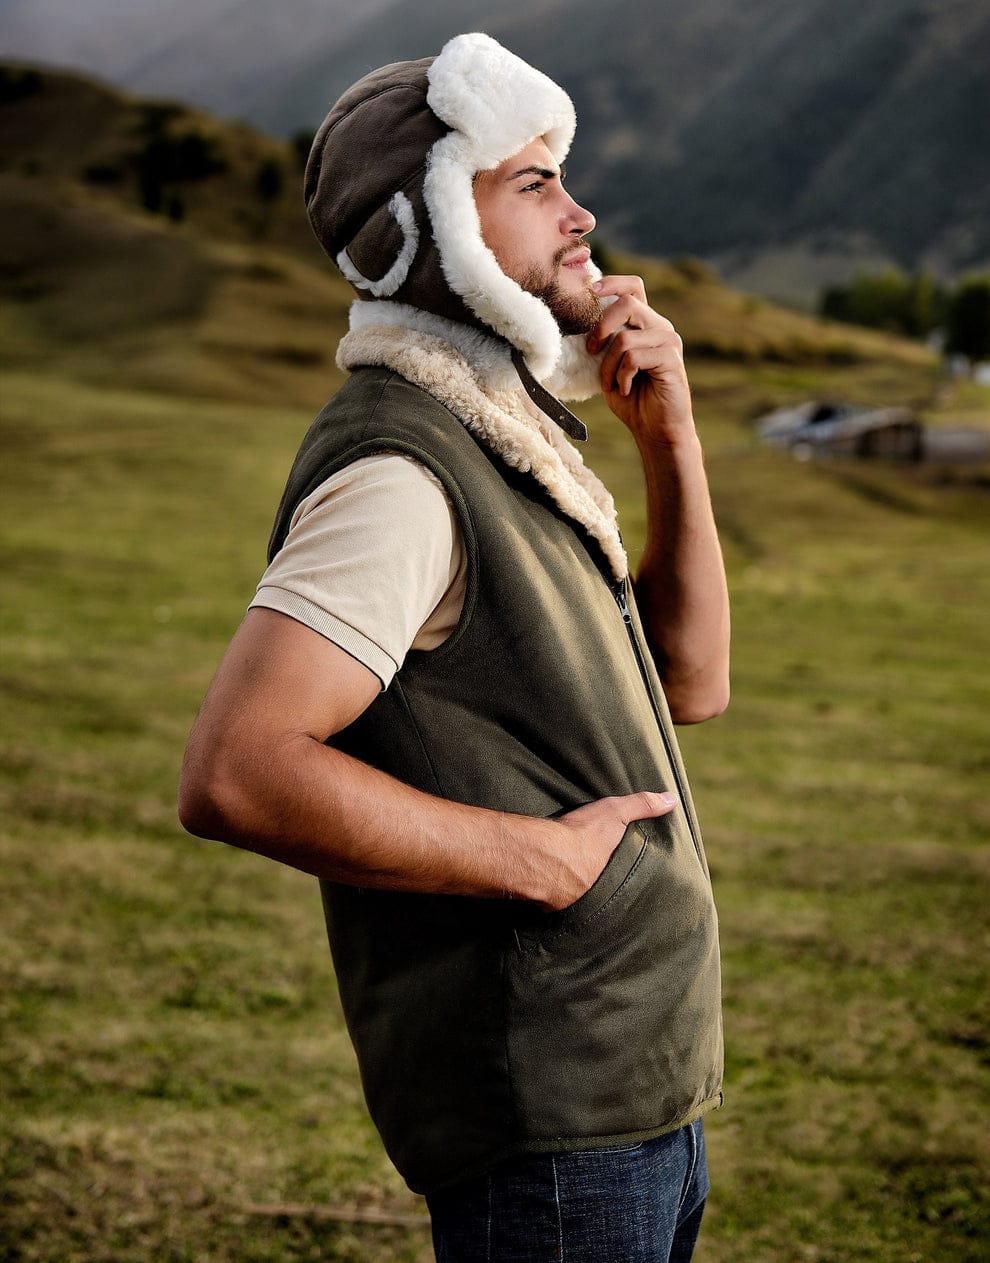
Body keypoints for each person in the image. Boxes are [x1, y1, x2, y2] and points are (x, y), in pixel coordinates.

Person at [179, 31, 730, 1262]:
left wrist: (669, 441)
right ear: (430, 232)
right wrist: (542, 865)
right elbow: (237, 771)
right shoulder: (402, 469)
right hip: (549, 1119)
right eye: (531, 184)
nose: (582, 213)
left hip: (637, 1095)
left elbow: (692, 682)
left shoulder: (508, 436)